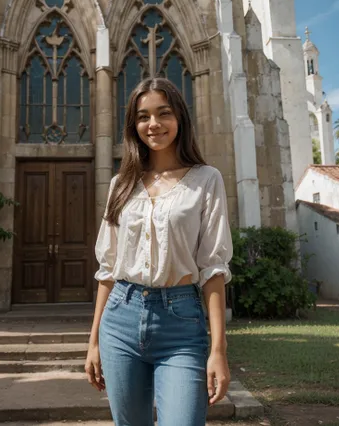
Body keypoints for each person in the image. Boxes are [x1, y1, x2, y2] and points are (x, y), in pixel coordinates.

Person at [85, 77, 233, 426]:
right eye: (143, 116)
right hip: (120, 317)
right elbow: (108, 270)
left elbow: (213, 269)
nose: (154, 124)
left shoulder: (206, 180)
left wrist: (218, 351)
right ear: (133, 125)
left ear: (179, 117)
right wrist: (93, 342)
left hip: (180, 322)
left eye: (163, 113)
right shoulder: (120, 185)